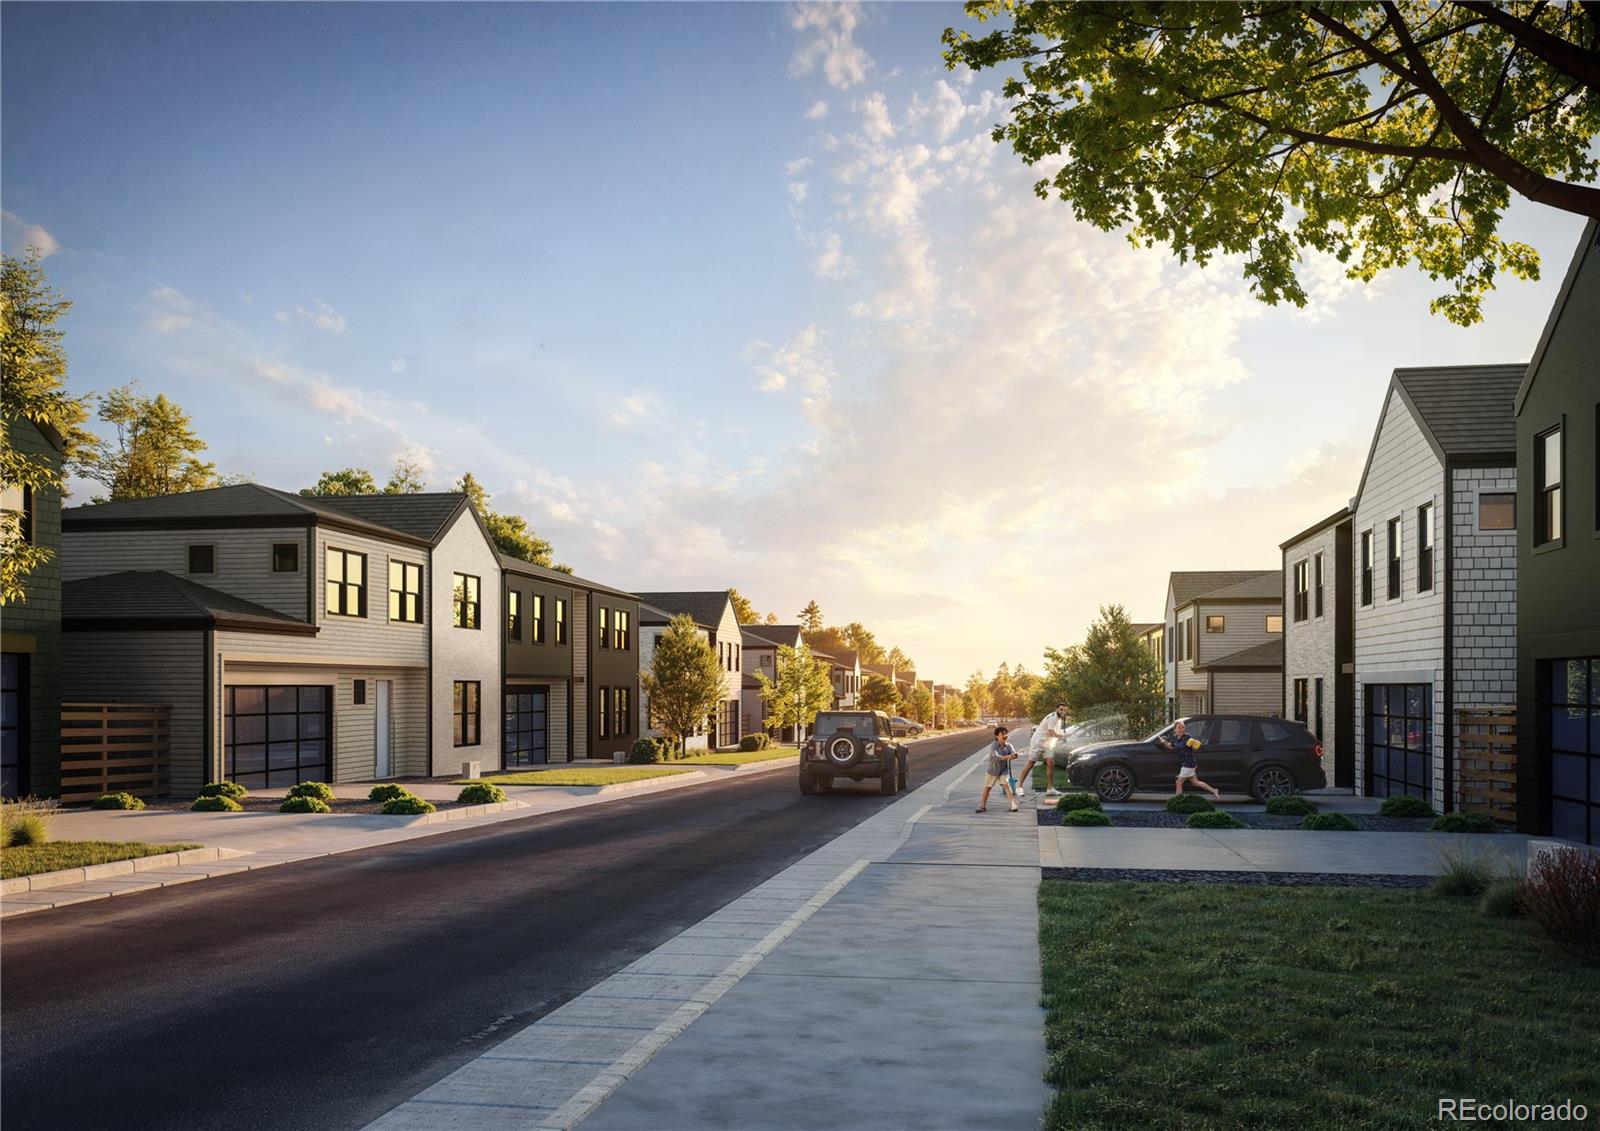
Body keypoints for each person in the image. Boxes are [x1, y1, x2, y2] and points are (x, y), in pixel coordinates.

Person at [1015, 703, 1069, 799]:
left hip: (1046, 744)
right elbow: (1051, 733)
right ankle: (1019, 787)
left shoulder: (1058, 718)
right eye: (1061, 709)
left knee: (1051, 763)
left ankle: (1050, 789)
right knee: (1031, 763)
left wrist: (1062, 735)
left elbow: (1054, 732)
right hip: (1038, 742)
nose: (1063, 712)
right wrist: (1063, 736)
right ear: (1056, 709)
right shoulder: (1053, 718)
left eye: (1064, 710)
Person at [1160, 719, 1220, 800]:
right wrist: (1163, 742)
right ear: (1175, 729)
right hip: (1186, 763)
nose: (1181, 729)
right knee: (1195, 783)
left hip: (1188, 764)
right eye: (1179, 728)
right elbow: (1171, 746)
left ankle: (1178, 802)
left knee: (1178, 783)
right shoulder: (1175, 738)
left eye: (1183, 727)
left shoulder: (1187, 737)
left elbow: (1196, 745)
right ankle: (1214, 790)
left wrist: (1196, 743)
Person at [976, 726, 1019, 813]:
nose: (1004, 735)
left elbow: (1014, 754)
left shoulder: (1009, 745)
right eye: (1002, 734)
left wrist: (1014, 756)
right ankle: (982, 806)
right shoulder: (993, 746)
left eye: (1005, 734)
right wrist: (1008, 757)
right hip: (993, 770)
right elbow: (996, 757)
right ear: (997, 736)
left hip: (1003, 770)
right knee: (988, 788)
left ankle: (1012, 805)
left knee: (1006, 785)